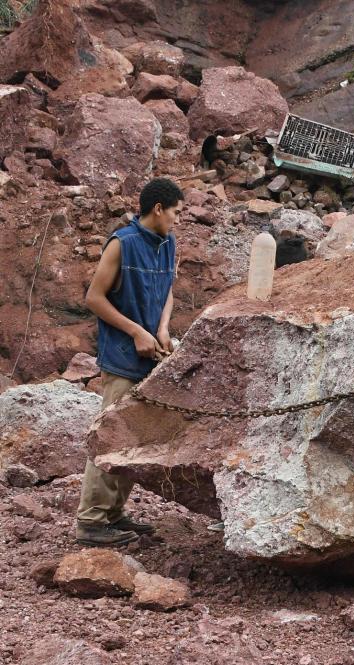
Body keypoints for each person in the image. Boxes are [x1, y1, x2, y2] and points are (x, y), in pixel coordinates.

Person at [75, 178, 183, 546]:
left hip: (151, 354)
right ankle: (90, 522)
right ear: (158, 209)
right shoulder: (123, 243)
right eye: (175, 212)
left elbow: (168, 289)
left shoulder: (167, 243)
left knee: (132, 440)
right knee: (110, 439)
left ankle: (114, 514)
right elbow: (94, 298)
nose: (176, 220)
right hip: (122, 356)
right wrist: (137, 331)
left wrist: (163, 328)